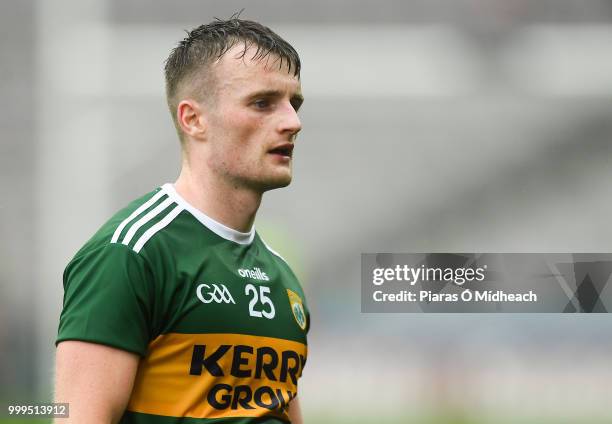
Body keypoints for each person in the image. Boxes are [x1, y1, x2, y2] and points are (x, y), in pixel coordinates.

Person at [54, 18, 309, 424]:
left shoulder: (282, 277)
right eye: (262, 103)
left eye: (293, 104)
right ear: (193, 119)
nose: (292, 122)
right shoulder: (130, 254)